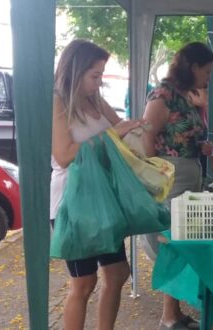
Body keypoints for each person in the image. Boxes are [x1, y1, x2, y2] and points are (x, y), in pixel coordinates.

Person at [51, 39, 143, 330]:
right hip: (73, 202)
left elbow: (122, 133)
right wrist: (112, 135)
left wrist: (140, 134)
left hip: (104, 200)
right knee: (83, 282)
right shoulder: (57, 102)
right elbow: (64, 156)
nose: (99, 82)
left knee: (117, 274)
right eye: (95, 75)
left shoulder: (95, 100)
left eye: (102, 75)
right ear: (76, 71)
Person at [141, 41, 213, 330]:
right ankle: (168, 316)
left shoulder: (186, 95)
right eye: (206, 71)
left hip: (189, 174)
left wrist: (202, 146)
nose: (208, 78)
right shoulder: (163, 94)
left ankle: (174, 312)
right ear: (193, 67)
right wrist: (154, 175)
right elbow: (148, 135)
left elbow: (184, 134)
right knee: (171, 244)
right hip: (169, 178)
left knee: (180, 243)